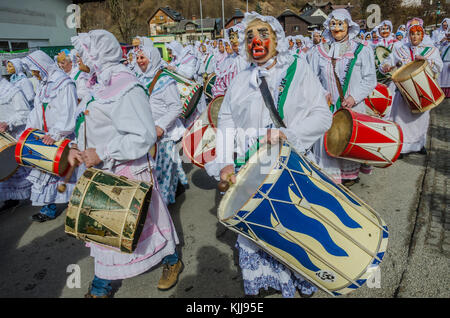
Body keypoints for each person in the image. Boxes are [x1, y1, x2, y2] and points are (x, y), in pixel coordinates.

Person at [205, 11, 332, 298]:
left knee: (295, 227)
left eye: (263, 34)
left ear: (277, 38)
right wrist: (225, 162)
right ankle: (274, 281)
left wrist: (289, 135)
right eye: (249, 36)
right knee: (263, 232)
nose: (256, 41)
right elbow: (226, 121)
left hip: (290, 164)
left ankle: (304, 277)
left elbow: (323, 117)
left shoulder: (297, 70)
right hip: (252, 169)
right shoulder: (240, 80)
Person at [70, 30, 182, 297]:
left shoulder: (126, 86)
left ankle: (171, 260)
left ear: (96, 54)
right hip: (101, 170)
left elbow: (142, 135)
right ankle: (101, 286)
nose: (78, 57)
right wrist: (78, 147)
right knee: (104, 232)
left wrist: (104, 153)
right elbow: (91, 124)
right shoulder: (99, 84)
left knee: (143, 225)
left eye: (83, 51)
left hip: (125, 171)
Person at [309, 9, 377, 186]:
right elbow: (310, 78)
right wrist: (322, 93)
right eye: (333, 24)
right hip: (327, 107)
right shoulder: (318, 51)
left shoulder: (361, 50)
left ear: (348, 25)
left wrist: (354, 97)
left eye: (341, 24)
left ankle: (349, 176)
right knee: (329, 140)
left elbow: (370, 79)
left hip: (353, 107)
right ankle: (330, 177)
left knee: (348, 139)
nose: (337, 29)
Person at [22, 50, 78, 222]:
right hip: (46, 136)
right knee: (45, 172)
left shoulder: (65, 84)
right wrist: (31, 131)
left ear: (42, 66)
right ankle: (49, 208)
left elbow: (69, 113)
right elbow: (37, 111)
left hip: (62, 137)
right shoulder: (43, 85)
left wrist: (56, 133)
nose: (34, 74)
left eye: (35, 70)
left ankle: (75, 209)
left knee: (67, 174)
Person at [136, 41, 188, 205]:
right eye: (137, 57)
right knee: (157, 172)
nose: (139, 60)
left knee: (162, 174)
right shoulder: (140, 79)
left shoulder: (165, 80)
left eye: (142, 57)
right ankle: (175, 188)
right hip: (148, 134)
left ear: (152, 59)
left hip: (163, 136)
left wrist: (161, 126)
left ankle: (162, 210)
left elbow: (176, 107)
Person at [380, 20, 443, 155]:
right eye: (412, 34)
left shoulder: (431, 50)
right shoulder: (400, 49)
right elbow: (388, 62)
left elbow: (439, 66)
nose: (415, 36)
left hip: (422, 91)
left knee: (421, 119)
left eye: (418, 33)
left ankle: (419, 145)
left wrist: (426, 60)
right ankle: (401, 147)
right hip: (403, 91)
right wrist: (386, 66)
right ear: (408, 35)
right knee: (401, 118)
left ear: (422, 35)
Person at [0, 78, 32, 212]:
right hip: (4, 139)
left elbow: (25, 113)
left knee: (25, 170)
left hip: (17, 136)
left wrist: (8, 123)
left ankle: (37, 197)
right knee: (6, 171)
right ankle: (11, 199)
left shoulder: (13, 91)